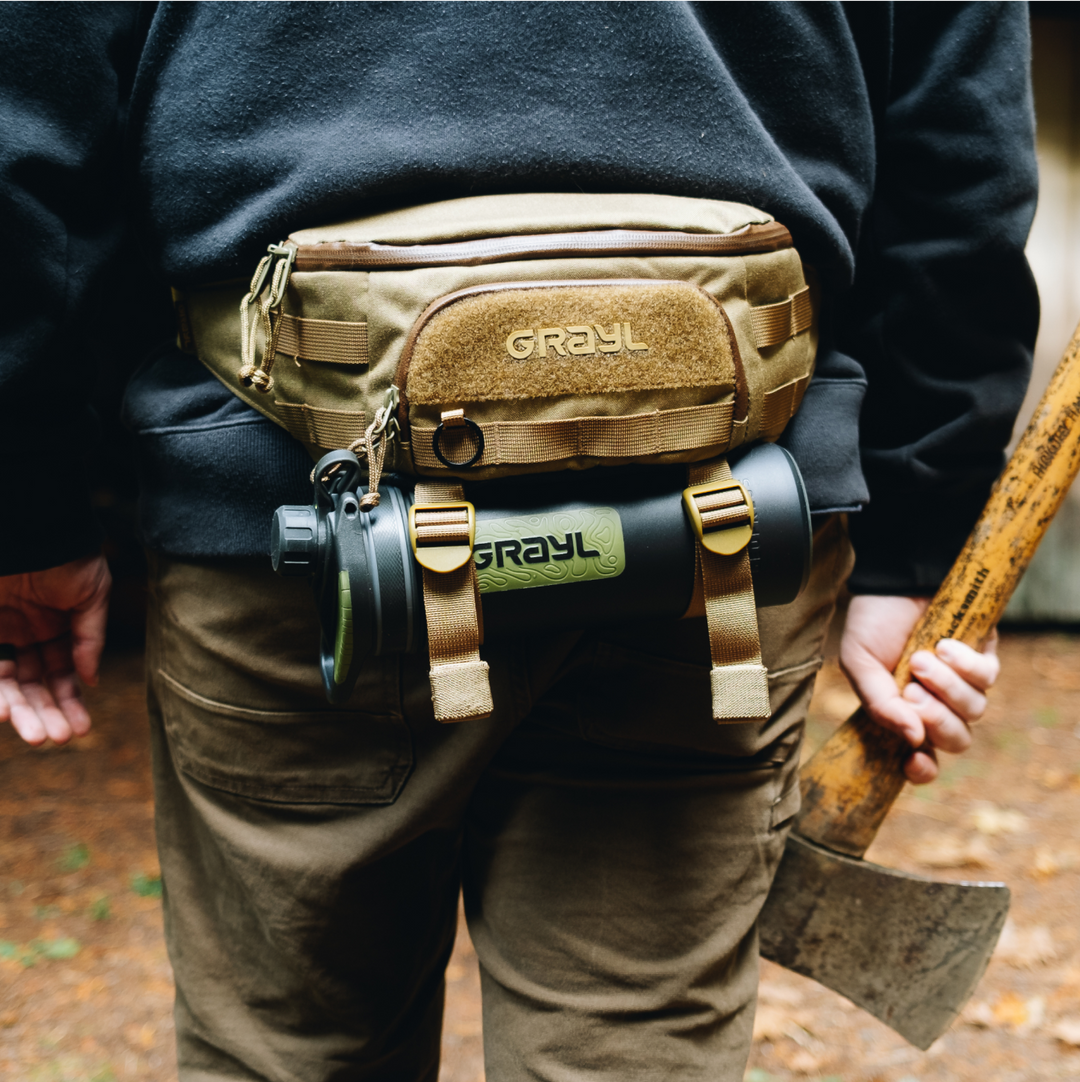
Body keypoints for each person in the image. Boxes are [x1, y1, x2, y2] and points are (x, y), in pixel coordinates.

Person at [0, 2, 1033, 1078]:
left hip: (295, 527)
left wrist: (27, 505)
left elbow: (28, 124)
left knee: (286, 1052)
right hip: (716, 546)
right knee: (631, 1049)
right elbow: (961, 166)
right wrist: (918, 538)